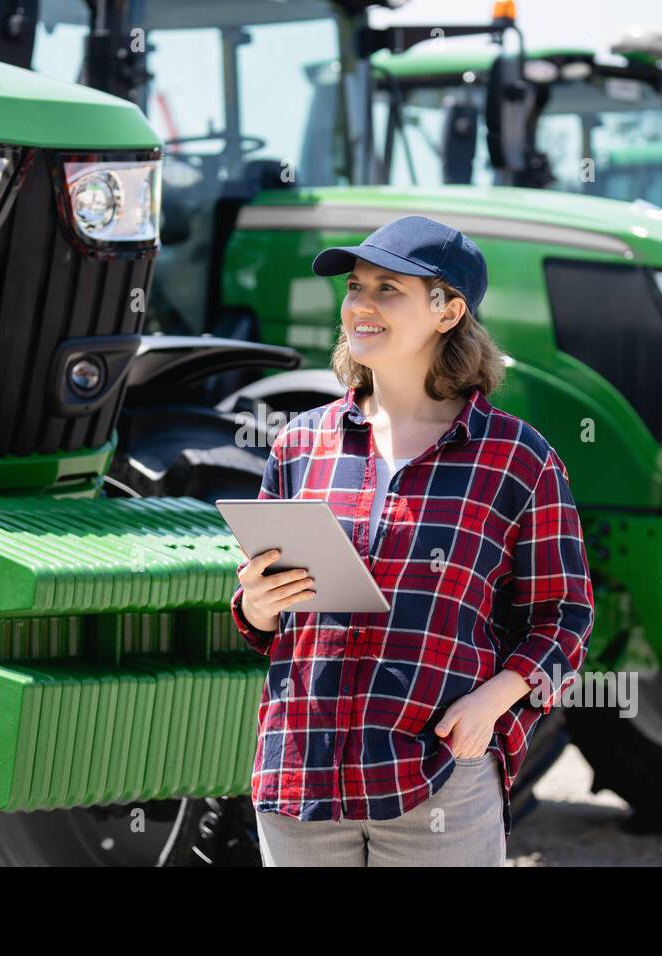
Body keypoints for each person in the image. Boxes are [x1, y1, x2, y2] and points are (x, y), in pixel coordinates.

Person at [229, 215, 594, 867]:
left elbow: (564, 618)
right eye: (354, 287)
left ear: (449, 312)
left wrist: (494, 701)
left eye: (387, 288)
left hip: (440, 778)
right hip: (300, 781)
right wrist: (256, 606)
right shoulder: (299, 444)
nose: (361, 305)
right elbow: (264, 621)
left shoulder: (516, 459)